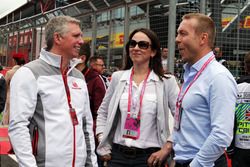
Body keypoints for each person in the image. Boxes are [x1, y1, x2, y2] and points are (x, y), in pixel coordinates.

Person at [8, 16, 97, 167]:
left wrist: (92, 164)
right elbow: (18, 126)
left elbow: (86, 125)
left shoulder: (79, 77)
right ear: (58, 38)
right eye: (76, 35)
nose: (82, 41)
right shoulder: (29, 73)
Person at [96, 28, 179, 167]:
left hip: (149, 158)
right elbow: (103, 112)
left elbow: (181, 118)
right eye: (132, 44)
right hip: (117, 157)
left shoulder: (166, 81)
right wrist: (102, 139)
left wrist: (167, 147)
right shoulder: (118, 78)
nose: (136, 48)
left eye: (143, 45)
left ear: (153, 52)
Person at [174, 13, 237, 167]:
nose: (177, 39)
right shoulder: (190, 73)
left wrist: (195, 164)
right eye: (177, 33)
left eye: (183, 33)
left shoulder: (218, 77)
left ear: (203, 38)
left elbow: (222, 135)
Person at [227, 52, 250, 167]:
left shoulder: (236, 88)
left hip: (240, 145)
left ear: (245, 67)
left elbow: (230, 119)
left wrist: (230, 147)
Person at [1, 53, 26, 125]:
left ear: (14, 61)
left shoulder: (10, 73)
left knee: (8, 120)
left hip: (10, 98)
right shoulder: (26, 72)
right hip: (23, 98)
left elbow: (4, 86)